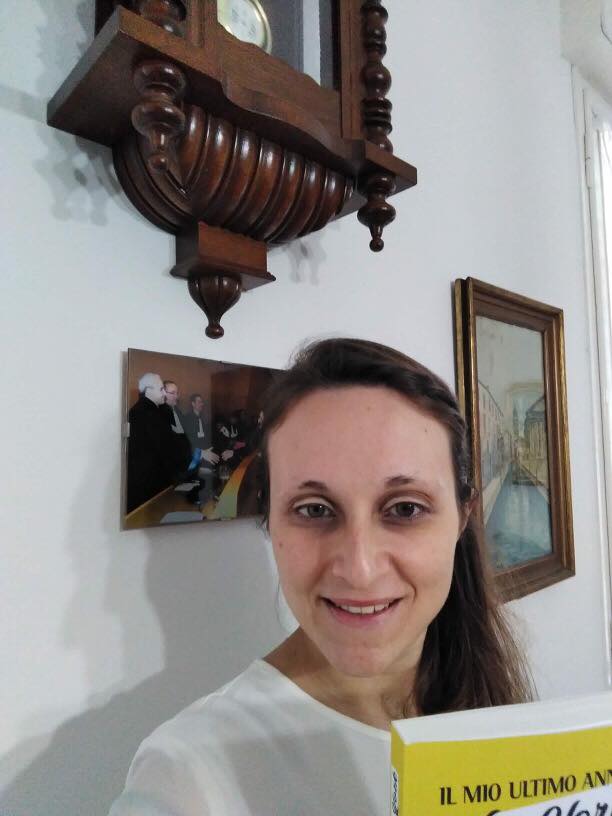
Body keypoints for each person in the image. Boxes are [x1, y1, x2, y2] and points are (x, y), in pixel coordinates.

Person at [112, 339, 533, 815]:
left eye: (405, 509)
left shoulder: (495, 702)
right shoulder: (186, 777)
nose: (359, 569)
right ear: (269, 522)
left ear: (462, 518)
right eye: (314, 510)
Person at [127, 374, 204, 513]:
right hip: (149, 486)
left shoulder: (151, 410)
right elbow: (168, 447)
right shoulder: (147, 413)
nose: (164, 393)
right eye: (161, 389)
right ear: (149, 390)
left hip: (158, 479)